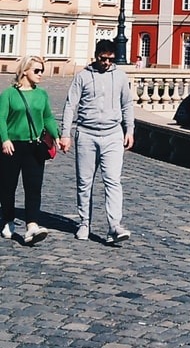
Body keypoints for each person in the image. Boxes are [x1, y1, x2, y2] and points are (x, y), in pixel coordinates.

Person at [61, 38, 135, 244]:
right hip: (87, 134)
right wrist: (65, 133)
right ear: (96, 56)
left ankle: (114, 226)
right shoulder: (83, 76)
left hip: (113, 135)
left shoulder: (120, 76)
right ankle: (84, 223)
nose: (107, 63)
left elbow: (127, 104)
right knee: (85, 182)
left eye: (111, 59)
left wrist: (129, 130)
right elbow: (70, 105)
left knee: (113, 180)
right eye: (103, 59)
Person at [1, 59, 58, 244]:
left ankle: (32, 226)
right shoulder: (9, 94)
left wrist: (56, 135)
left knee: (33, 187)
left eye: (42, 70)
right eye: (37, 70)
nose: (41, 73)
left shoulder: (41, 94)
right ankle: (8, 220)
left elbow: (48, 117)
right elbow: (1, 118)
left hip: (35, 146)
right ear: (25, 71)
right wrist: (5, 139)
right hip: (12, 146)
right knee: (7, 186)